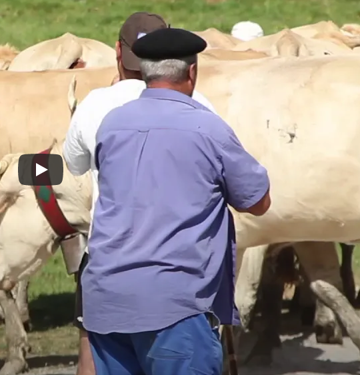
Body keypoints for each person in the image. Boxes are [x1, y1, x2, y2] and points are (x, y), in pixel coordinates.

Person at [80, 27, 272, 375]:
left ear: (144, 73)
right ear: (192, 72)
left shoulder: (112, 124)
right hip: (175, 304)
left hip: (107, 297)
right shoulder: (207, 128)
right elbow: (257, 201)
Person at [62, 11, 219, 375]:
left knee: (93, 346)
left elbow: (74, 165)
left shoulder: (95, 106)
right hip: (178, 266)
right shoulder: (201, 106)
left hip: (111, 261)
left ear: (118, 51)